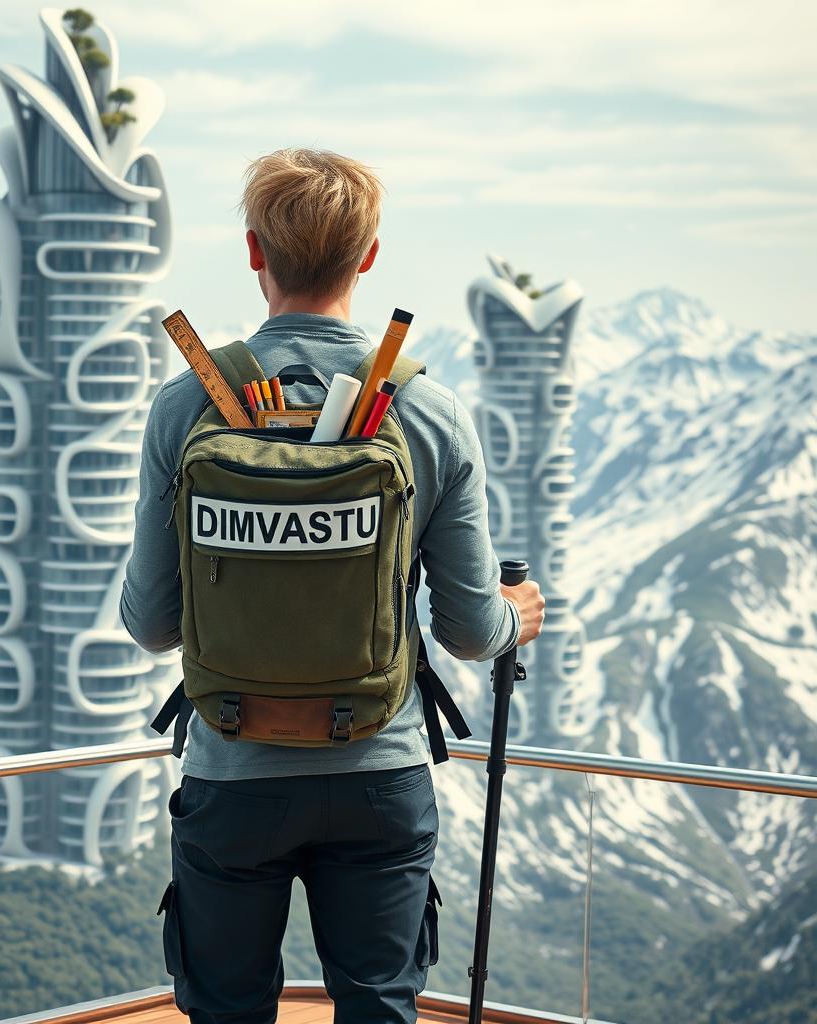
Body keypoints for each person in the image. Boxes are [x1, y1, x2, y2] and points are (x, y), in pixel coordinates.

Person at [121, 147, 546, 1024]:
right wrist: (514, 621)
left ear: (252, 253)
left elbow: (153, 626)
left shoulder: (186, 405)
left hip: (232, 771)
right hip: (378, 775)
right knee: (381, 1007)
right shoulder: (425, 410)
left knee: (226, 1009)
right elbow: (469, 630)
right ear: (369, 257)